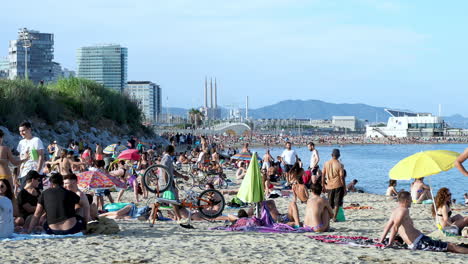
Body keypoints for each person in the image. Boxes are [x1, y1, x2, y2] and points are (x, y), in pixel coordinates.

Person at [379, 191, 468, 254]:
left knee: (448, 246)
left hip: (420, 239)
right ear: (406, 201)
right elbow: (395, 227)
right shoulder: (404, 210)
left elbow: (388, 226)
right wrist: (390, 243)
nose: (411, 201)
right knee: (451, 246)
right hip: (419, 242)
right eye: (410, 199)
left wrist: (381, 240)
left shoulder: (396, 210)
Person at [17, 121, 45, 187]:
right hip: (23, 173)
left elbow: (41, 157)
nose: (21, 133)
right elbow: (19, 159)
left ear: (29, 129)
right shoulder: (21, 143)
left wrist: (37, 173)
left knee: (36, 194)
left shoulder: (36, 140)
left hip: (34, 173)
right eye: (20, 131)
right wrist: (17, 175)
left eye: (23, 130)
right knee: (24, 195)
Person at [322, 149, 345, 221]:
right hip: (338, 184)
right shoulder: (340, 165)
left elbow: (323, 175)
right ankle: (334, 217)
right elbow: (341, 177)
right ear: (339, 156)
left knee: (330, 202)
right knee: (337, 202)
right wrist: (344, 187)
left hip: (329, 185)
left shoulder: (326, 163)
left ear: (331, 155)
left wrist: (323, 185)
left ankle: (329, 216)